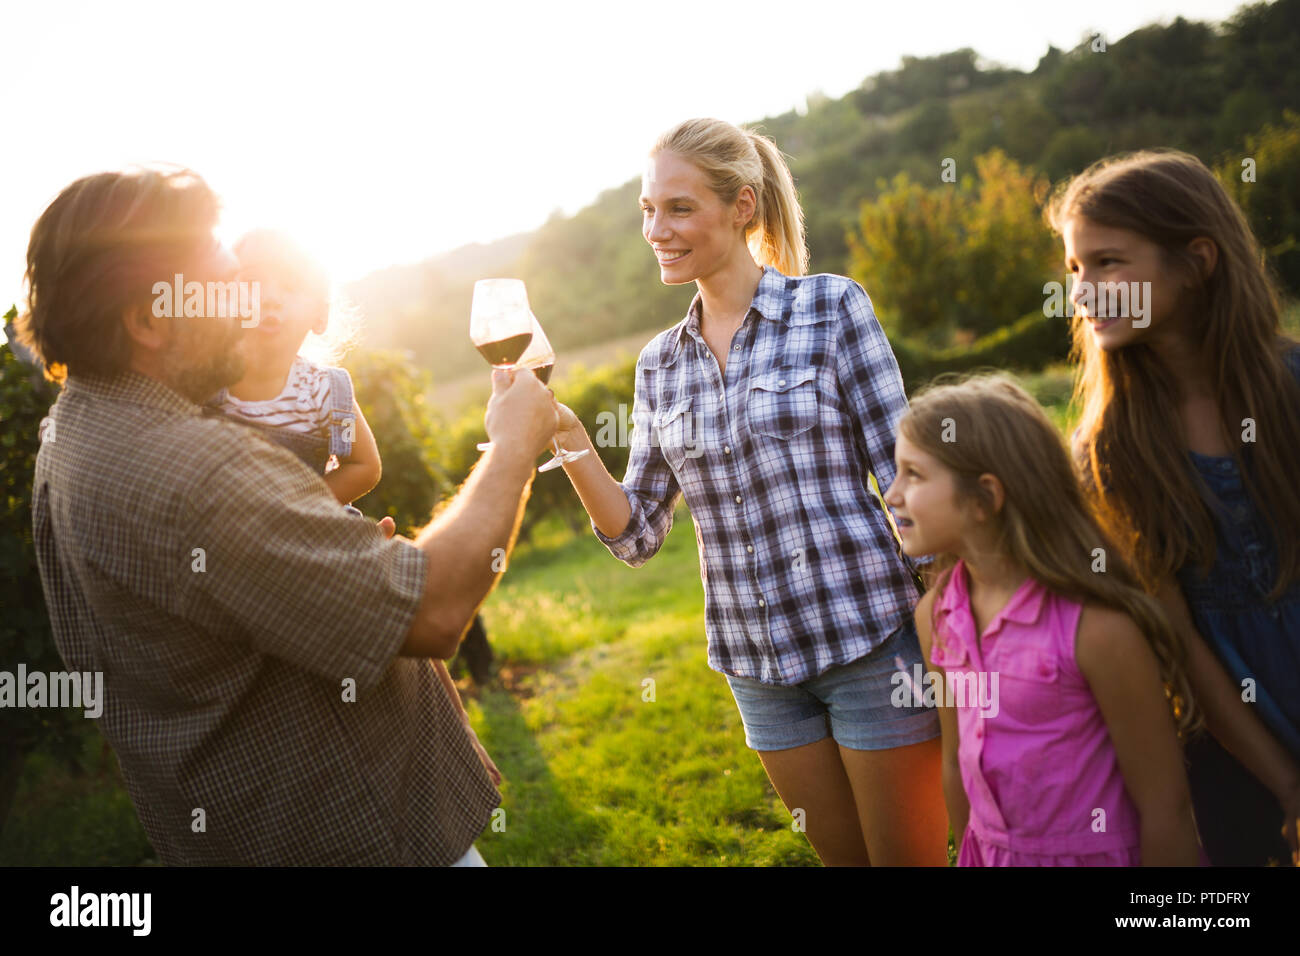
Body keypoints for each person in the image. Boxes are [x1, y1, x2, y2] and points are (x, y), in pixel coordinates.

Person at [17, 166, 554, 865]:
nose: (247, 305)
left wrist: (334, 559)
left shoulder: (75, 431)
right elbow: (434, 610)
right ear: (149, 319)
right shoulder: (198, 470)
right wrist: (514, 445)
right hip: (349, 831)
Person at [552, 118, 945, 865]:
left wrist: (941, 606)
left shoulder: (831, 309)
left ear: (742, 206)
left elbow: (906, 476)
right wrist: (568, 439)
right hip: (757, 672)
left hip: (871, 642)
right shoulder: (659, 365)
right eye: (646, 209)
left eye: (678, 207)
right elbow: (636, 534)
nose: (656, 229)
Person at [1047, 149, 1300, 866]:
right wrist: (1286, 787)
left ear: (1197, 261)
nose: (1084, 292)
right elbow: (1179, 639)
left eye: (1108, 263)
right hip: (1232, 745)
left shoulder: (1292, 390)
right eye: (1075, 270)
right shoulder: (1110, 448)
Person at [209, 228, 502, 790]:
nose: (268, 298)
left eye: (287, 287)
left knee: (406, 621)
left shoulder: (326, 389)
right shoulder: (209, 391)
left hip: (319, 529)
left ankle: (458, 739)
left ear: (317, 315)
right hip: (241, 548)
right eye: (250, 284)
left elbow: (365, 467)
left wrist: (304, 508)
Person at [887, 374, 1201, 865]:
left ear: (985, 499)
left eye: (914, 475)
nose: (892, 494)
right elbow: (954, 763)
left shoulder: (1097, 630)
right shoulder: (936, 616)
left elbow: (1167, 809)